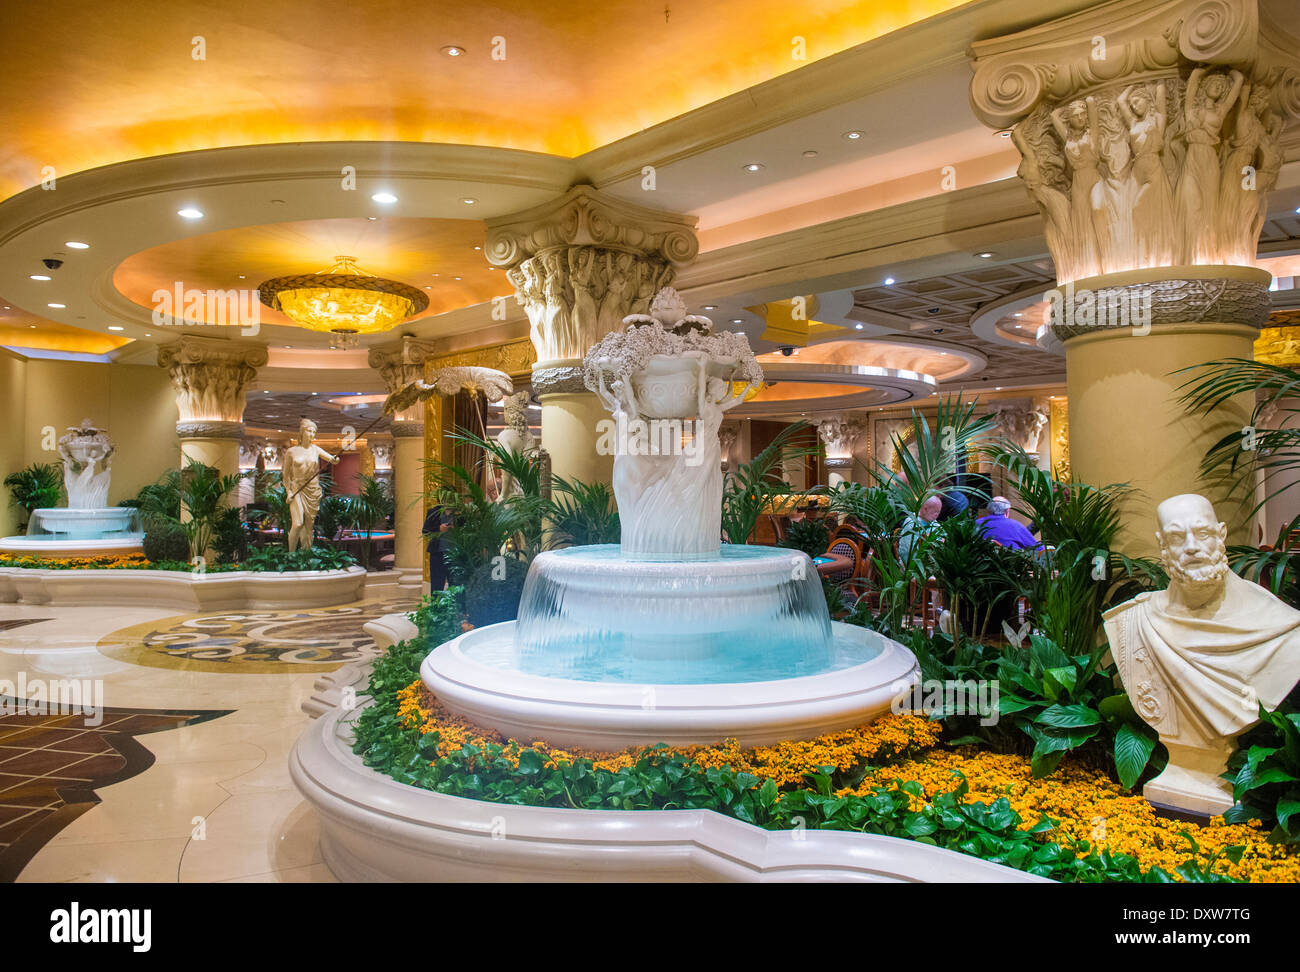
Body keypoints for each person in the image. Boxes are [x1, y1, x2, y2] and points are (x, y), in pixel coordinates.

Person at [976, 496, 1041, 550]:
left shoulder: (976, 524)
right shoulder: (1015, 526)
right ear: (1007, 511)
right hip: (1010, 564)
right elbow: (1037, 548)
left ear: (988, 510)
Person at [898, 494, 942, 563]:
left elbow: (942, 538)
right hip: (911, 565)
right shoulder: (911, 522)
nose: (937, 515)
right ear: (925, 509)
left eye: (939, 512)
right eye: (935, 511)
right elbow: (908, 550)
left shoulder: (933, 522)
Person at [422, 499, 454, 591]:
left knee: (455, 586)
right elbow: (425, 531)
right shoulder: (434, 512)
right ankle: (436, 605)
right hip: (437, 554)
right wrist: (438, 529)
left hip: (454, 554)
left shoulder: (459, 514)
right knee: (437, 586)